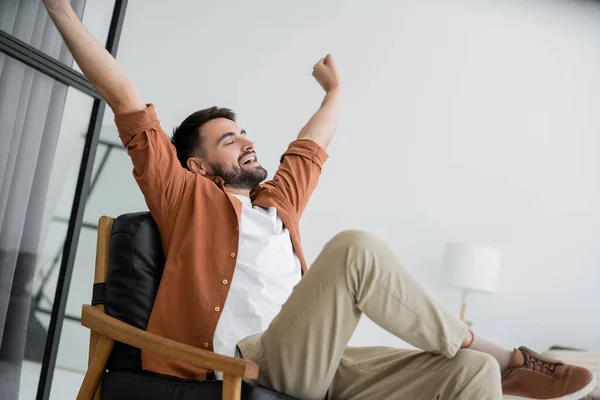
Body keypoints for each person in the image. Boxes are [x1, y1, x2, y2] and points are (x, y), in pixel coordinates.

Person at [43, 1, 596, 399]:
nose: (247, 140)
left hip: (318, 365)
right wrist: (63, 11)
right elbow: (126, 100)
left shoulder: (274, 204)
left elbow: (311, 146)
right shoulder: (183, 196)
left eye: (245, 132)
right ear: (197, 165)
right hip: (246, 364)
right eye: (229, 139)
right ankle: (510, 359)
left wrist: (334, 92)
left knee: (468, 374)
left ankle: (489, 364)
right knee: (356, 248)